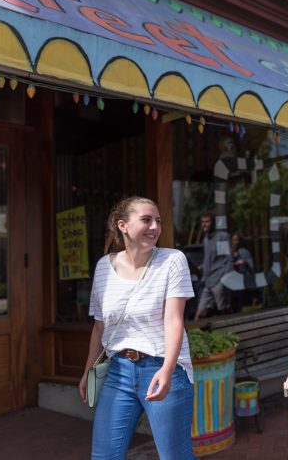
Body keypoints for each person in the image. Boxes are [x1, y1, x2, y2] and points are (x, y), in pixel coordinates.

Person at [79, 196, 196, 459]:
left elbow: (174, 320)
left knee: (174, 456)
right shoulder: (103, 267)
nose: (154, 226)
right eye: (146, 220)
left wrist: (167, 370)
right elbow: (100, 327)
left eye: (158, 221)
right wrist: (88, 370)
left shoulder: (172, 260)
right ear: (123, 225)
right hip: (118, 372)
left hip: (163, 367)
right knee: (104, 455)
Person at [194, 212, 231, 319]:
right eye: (202, 222)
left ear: (213, 223)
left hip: (219, 279)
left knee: (223, 310)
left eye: (207, 222)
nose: (204, 224)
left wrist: (225, 279)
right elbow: (208, 260)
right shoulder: (206, 239)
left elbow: (228, 259)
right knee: (199, 312)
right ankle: (193, 334)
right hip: (208, 281)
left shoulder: (222, 237)